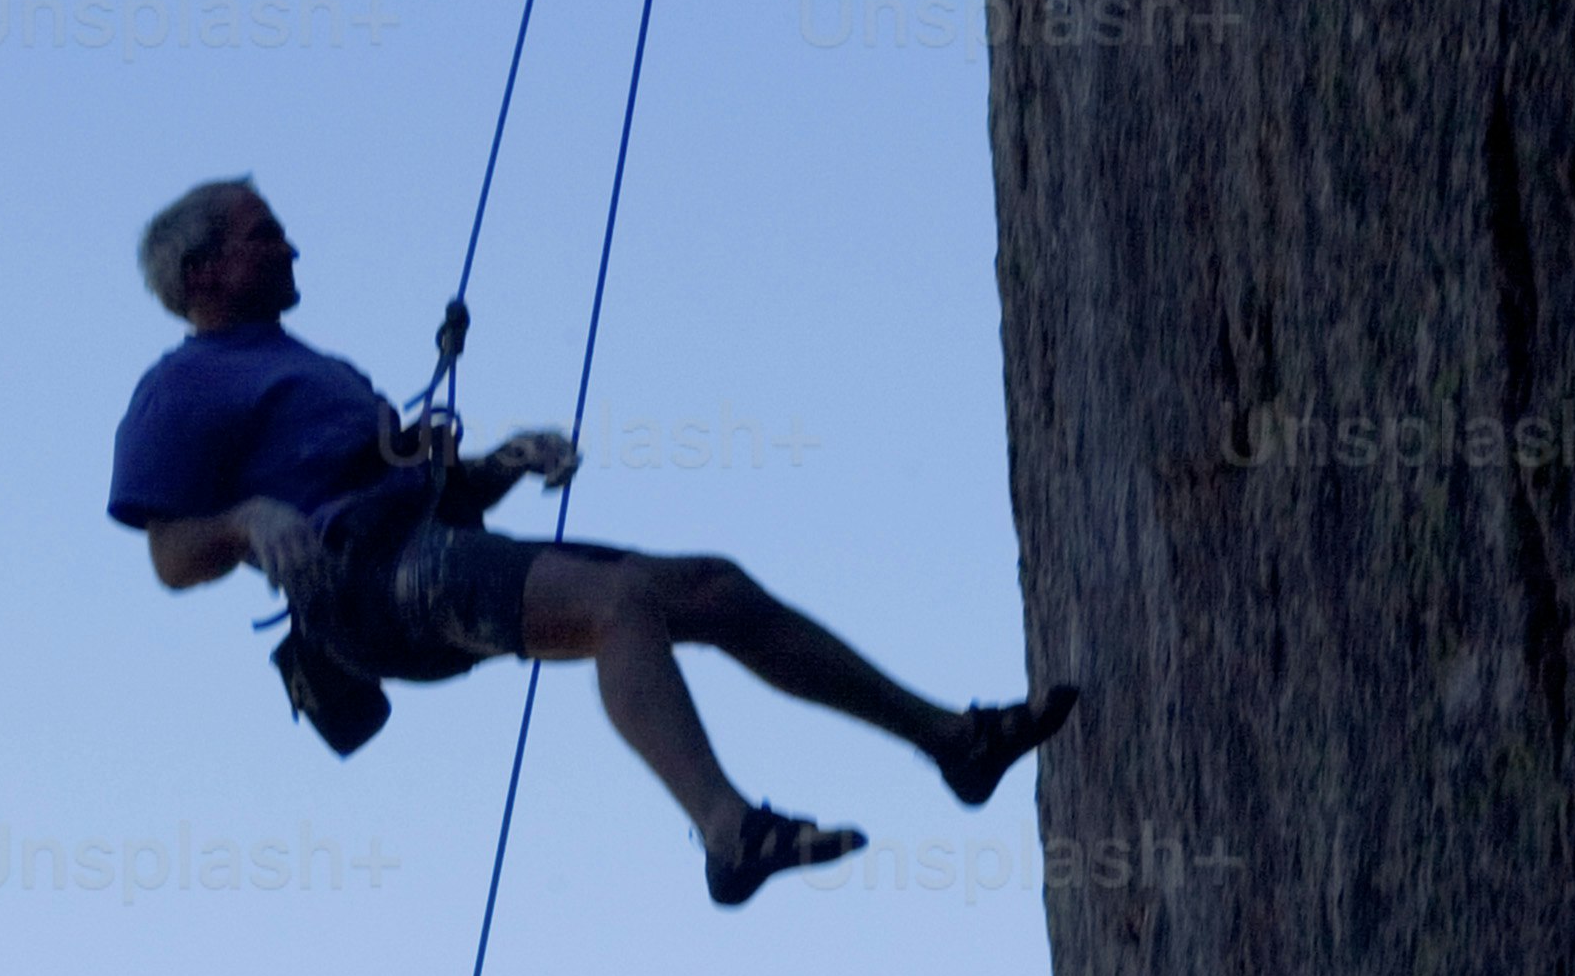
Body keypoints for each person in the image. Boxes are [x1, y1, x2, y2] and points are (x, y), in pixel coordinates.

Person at [109, 180, 1076, 907]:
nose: (290, 244)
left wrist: (498, 464)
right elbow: (167, 555)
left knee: (713, 590)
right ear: (204, 274)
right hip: (365, 588)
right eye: (262, 234)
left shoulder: (315, 368)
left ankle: (953, 741)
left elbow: (425, 492)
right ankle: (729, 830)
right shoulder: (180, 386)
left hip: (414, 553)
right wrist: (245, 521)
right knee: (622, 609)